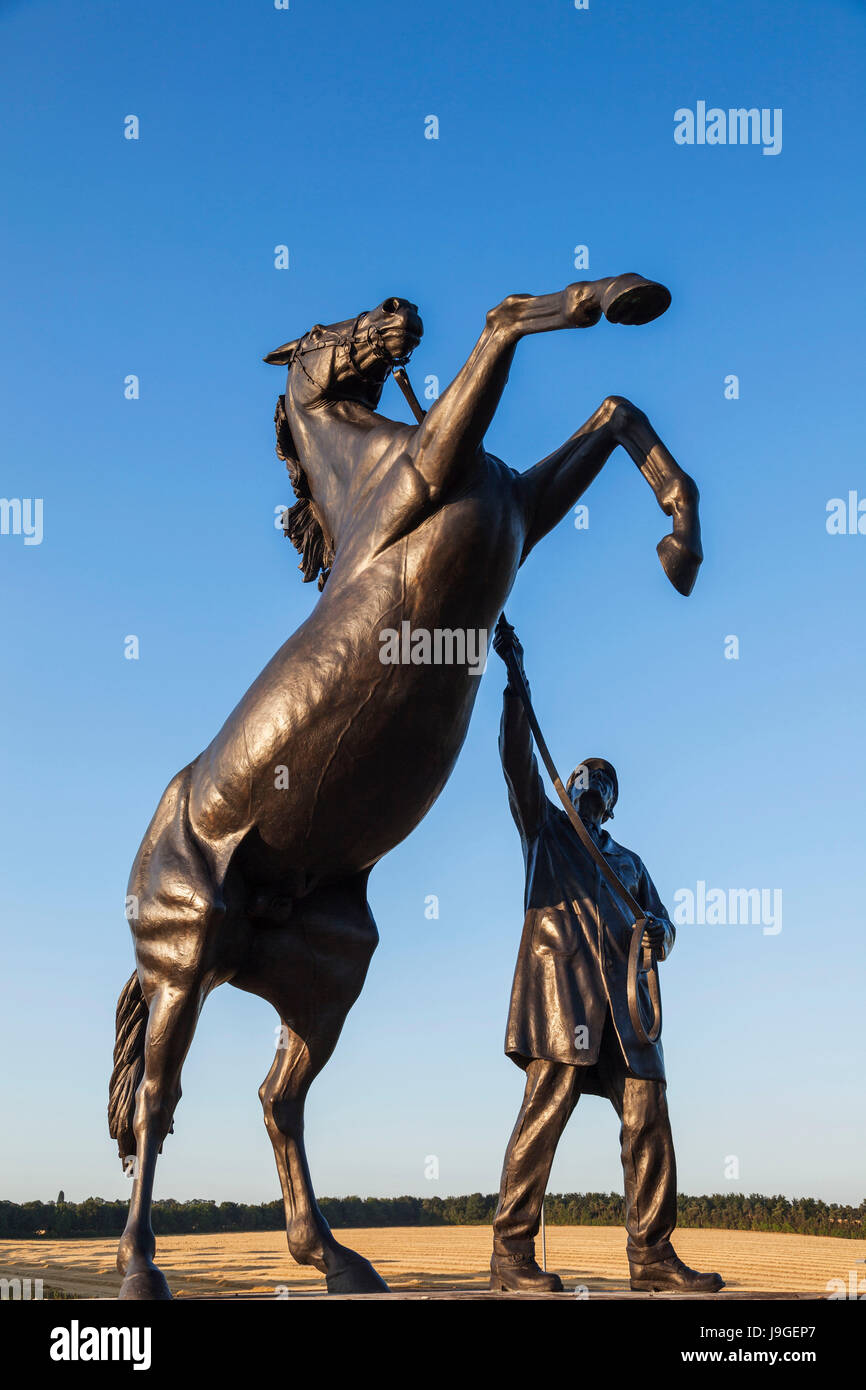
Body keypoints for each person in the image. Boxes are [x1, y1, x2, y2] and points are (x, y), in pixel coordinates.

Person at [489, 617, 723, 1294]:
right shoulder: (545, 830)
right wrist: (515, 684)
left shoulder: (630, 863)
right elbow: (513, 760)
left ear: (614, 804)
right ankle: (511, 1256)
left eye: (607, 782)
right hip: (564, 1006)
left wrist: (657, 934)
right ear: (568, 783)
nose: (595, 783)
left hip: (626, 1013)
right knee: (543, 1118)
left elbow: (669, 932)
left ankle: (651, 1255)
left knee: (649, 1116)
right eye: (586, 774)